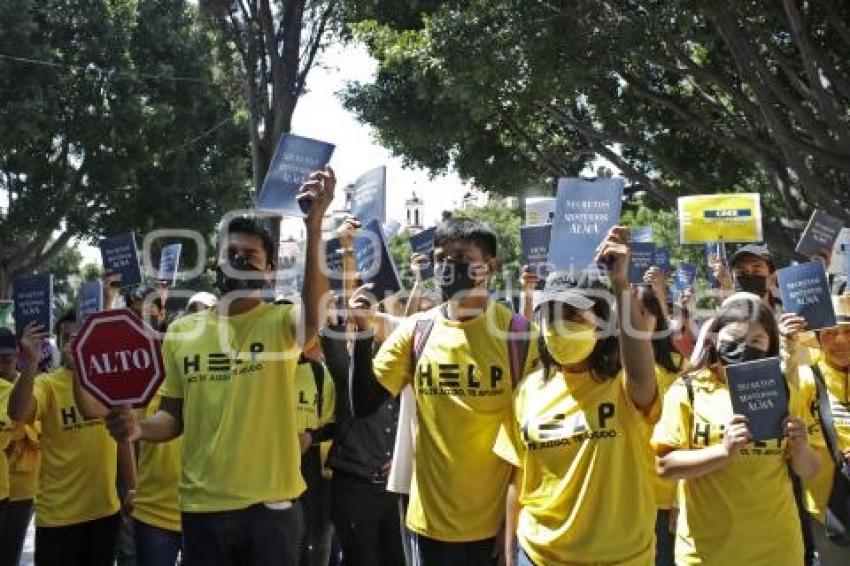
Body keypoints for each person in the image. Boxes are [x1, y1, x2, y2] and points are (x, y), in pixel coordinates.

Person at [104, 167, 336, 566]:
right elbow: (171, 418)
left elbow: (314, 317)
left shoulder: (281, 323)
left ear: (269, 269)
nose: (240, 261)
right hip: (201, 509)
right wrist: (139, 428)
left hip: (273, 508)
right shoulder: (182, 332)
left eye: (251, 255)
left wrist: (315, 227)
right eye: (231, 255)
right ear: (216, 265)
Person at [350, 217, 539, 565]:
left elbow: (532, 442)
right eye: (441, 258)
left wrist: (512, 524)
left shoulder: (522, 336)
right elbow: (364, 403)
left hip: (497, 525)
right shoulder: (415, 331)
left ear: (491, 266)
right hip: (430, 526)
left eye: (462, 257)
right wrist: (362, 336)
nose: (448, 266)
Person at [495, 227, 660, 566]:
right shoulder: (528, 390)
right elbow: (518, 481)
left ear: (601, 324)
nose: (559, 325)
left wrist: (620, 285)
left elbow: (643, 372)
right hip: (539, 555)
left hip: (622, 558)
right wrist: (511, 555)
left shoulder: (626, 387)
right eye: (551, 315)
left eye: (572, 314)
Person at [653, 296, 821, 565]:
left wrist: (801, 445)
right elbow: (665, 466)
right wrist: (723, 452)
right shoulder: (688, 390)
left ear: (770, 345)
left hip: (777, 548)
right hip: (706, 552)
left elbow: (809, 469)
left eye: (756, 341)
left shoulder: (782, 390)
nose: (745, 347)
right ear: (715, 339)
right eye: (734, 338)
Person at [320, 215, 406, 566]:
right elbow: (347, 304)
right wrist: (348, 250)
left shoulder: (401, 365)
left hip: (393, 490)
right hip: (353, 485)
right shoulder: (345, 366)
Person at [8, 312, 122, 566]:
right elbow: (17, 412)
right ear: (59, 344)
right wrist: (29, 365)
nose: (74, 342)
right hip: (58, 517)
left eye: (80, 337)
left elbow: (125, 437)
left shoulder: (109, 381)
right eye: (68, 338)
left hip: (105, 512)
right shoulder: (47, 384)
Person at [633, 283, 686, 566]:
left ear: (658, 318)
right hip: (623, 497)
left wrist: (679, 499)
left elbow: (688, 439)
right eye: (630, 314)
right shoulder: (608, 370)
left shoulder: (681, 368)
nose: (638, 321)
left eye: (645, 313)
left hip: (665, 498)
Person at [797, 294, 850, 565]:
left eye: (848, 332)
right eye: (830, 333)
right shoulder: (806, 378)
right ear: (818, 339)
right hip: (827, 508)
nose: (840, 341)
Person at [0, 328, 41, 566]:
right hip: (4, 485)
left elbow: (39, 433)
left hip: (23, 486)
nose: (3, 366)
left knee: (9, 553)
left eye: (7, 359)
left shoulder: (29, 387)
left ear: (17, 357)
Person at [296, 344, 336, 566]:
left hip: (310, 464)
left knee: (315, 536)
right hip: (271, 462)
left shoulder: (319, 372)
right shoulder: (267, 371)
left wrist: (311, 437)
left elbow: (332, 423)